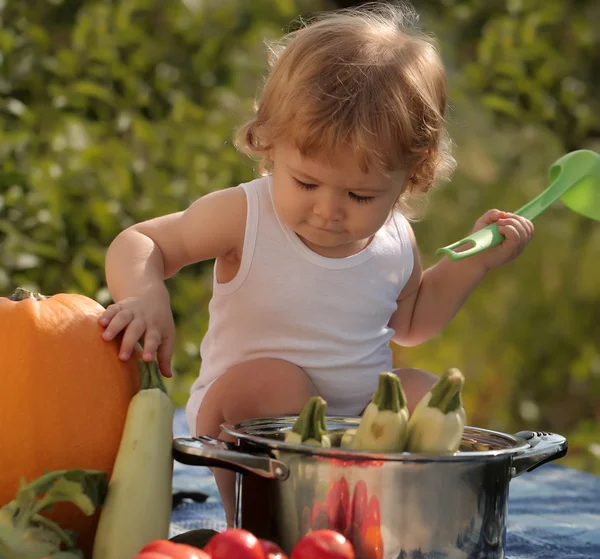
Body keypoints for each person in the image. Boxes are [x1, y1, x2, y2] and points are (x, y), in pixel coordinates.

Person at [99, 2, 534, 524]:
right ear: (270, 145)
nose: (328, 210)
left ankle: (393, 519)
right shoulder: (246, 215)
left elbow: (413, 321)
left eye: (360, 194)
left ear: (411, 175)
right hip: (250, 422)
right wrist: (146, 297)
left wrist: (474, 262)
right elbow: (142, 240)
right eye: (306, 183)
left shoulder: (395, 237)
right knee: (277, 382)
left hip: (356, 428)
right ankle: (275, 517)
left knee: (426, 395)